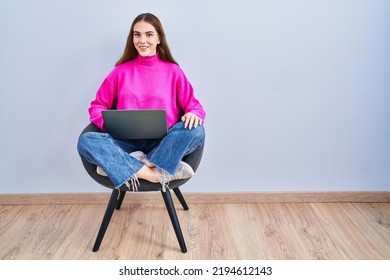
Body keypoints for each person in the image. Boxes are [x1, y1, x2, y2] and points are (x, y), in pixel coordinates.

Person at [77, 13, 206, 191]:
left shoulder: (173, 71)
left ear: (159, 38)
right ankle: (153, 174)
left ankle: (129, 164)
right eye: (137, 34)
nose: (142, 40)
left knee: (197, 131)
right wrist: (110, 123)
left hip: (164, 143)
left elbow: (194, 105)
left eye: (149, 34)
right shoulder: (119, 72)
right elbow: (97, 107)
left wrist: (194, 113)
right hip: (125, 143)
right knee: (86, 141)